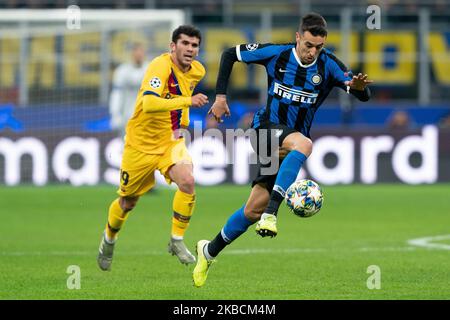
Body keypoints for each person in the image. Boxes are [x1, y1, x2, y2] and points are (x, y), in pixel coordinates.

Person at [192, 13, 373, 287]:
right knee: (305, 144)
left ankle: (208, 250)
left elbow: (360, 91)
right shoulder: (276, 54)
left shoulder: (329, 65)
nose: (312, 52)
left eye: (318, 47)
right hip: (264, 129)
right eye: (308, 45)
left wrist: (359, 90)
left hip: (289, 144)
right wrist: (220, 97)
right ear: (298, 38)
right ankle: (272, 214)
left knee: (252, 210)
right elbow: (230, 54)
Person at [97, 25, 209, 271]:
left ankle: (177, 239)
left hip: (170, 141)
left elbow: (181, 93)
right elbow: (148, 103)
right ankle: (109, 239)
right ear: (173, 46)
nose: (190, 49)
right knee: (128, 202)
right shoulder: (160, 66)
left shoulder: (197, 70)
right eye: (185, 44)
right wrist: (188, 101)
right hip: (139, 145)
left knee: (188, 181)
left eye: (194, 45)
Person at [109, 43, 148, 140]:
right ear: (132, 54)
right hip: (127, 117)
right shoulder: (122, 71)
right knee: (128, 148)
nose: (139, 54)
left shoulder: (150, 69)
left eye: (141, 52)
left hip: (147, 117)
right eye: (136, 52)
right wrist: (115, 114)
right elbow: (117, 94)